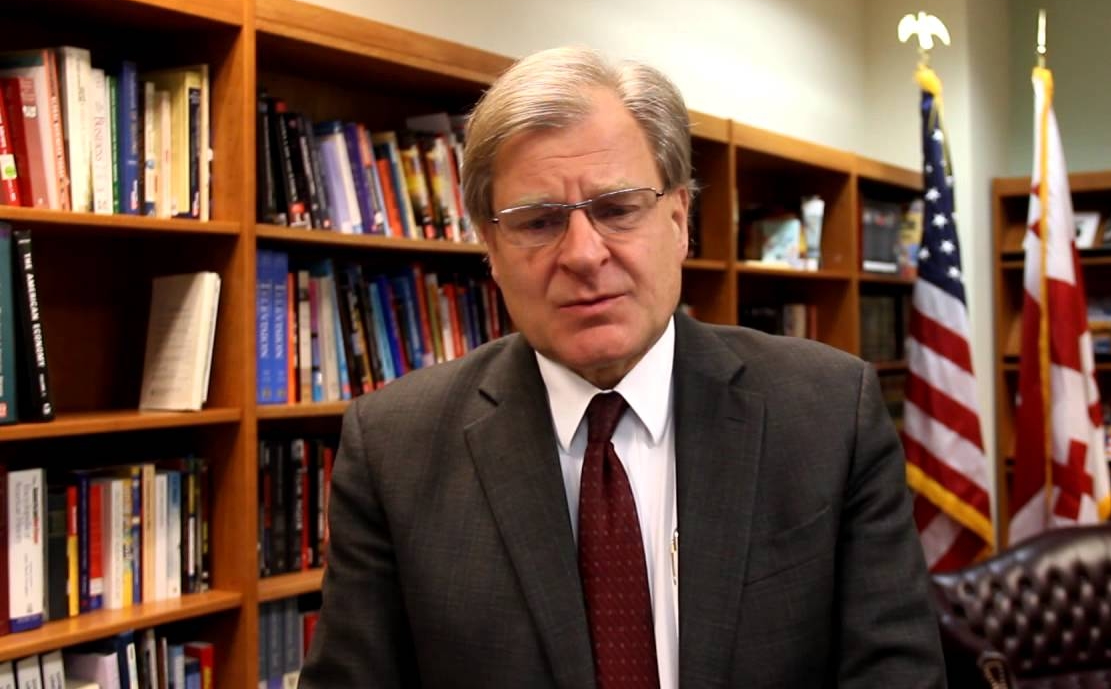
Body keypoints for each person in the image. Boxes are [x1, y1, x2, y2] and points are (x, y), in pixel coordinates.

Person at [299, 46, 944, 688]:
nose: (583, 254)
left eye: (617, 209)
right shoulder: (393, 449)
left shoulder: (831, 415)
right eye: (538, 222)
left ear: (679, 220)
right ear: (490, 246)